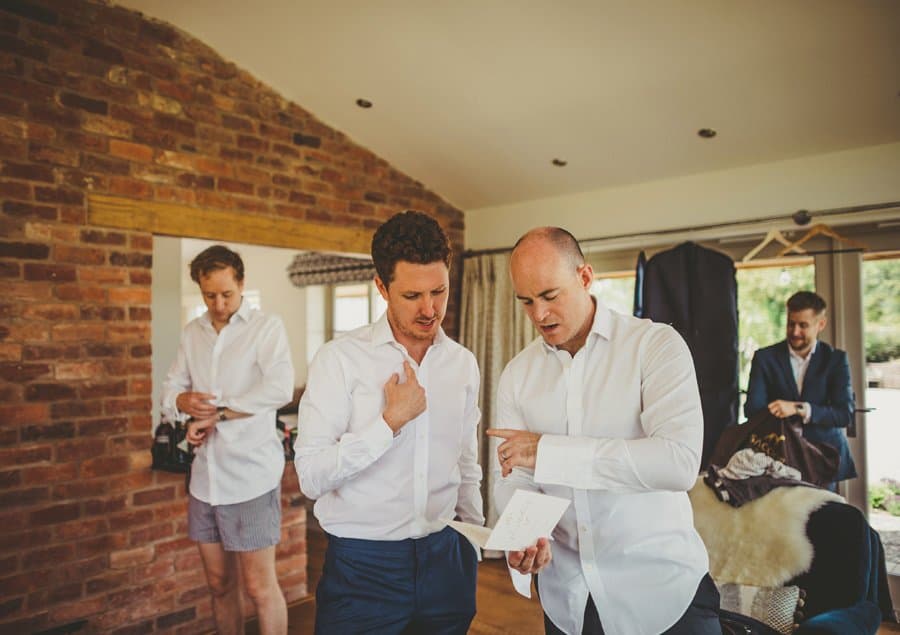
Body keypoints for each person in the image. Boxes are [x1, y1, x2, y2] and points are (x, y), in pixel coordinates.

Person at [487, 227, 720, 635]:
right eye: (525, 301)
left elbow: (678, 463)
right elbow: (513, 477)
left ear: (585, 277)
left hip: (664, 594)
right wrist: (525, 533)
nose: (538, 315)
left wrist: (550, 452)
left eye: (549, 296)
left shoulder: (655, 347)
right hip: (569, 602)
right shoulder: (516, 376)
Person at [294, 210, 484, 635]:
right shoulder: (339, 359)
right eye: (413, 295)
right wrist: (389, 422)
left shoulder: (462, 365)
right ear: (381, 287)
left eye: (439, 291)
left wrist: (473, 540)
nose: (430, 308)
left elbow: (466, 463)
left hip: (447, 560)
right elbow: (310, 475)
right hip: (363, 567)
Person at [161, 245, 294, 635]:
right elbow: (171, 388)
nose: (219, 304)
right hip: (205, 481)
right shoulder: (193, 333)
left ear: (241, 284)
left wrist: (219, 414)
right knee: (219, 585)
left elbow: (280, 388)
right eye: (209, 295)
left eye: (227, 294)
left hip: (250, 478)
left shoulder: (265, 328)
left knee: (259, 587)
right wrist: (180, 401)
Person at [744, 291, 857, 487]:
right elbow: (752, 410)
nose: (795, 331)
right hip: (778, 458)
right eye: (791, 323)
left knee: (825, 517)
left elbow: (844, 415)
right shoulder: (765, 358)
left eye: (803, 325)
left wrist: (798, 408)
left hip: (824, 459)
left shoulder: (836, 360)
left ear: (821, 324)